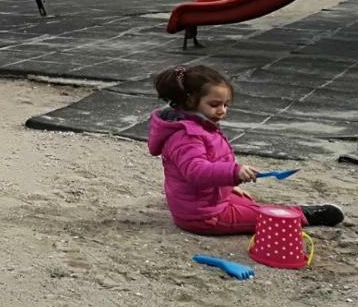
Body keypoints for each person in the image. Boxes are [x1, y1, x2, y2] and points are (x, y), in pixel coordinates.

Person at [147, 64, 344, 235]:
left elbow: (212, 162)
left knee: (251, 205)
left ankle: (278, 210)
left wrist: (227, 184)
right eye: (214, 104)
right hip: (203, 216)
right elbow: (197, 172)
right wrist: (234, 172)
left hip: (203, 201)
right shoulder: (186, 136)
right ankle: (307, 215)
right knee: (267, 216)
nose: (222, 110)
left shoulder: (198, 126)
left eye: (226, 104)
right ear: (189, 101)